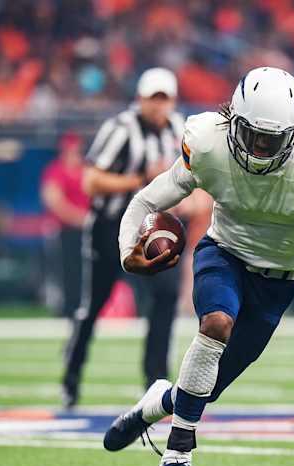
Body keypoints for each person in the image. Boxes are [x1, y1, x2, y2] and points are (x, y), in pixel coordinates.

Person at [105, 67, 294, 466]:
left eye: (274, 139)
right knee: (215, 323)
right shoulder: (209, 143)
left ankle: (157, 403)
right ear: (233, 120)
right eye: (253, 135)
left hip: (277, 282)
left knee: (202, 391)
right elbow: (147, 200)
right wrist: (127, 254)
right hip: (223, 253)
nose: (262, 148)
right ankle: (177, 456)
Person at [61, 68, 185, 408]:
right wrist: (140, 182)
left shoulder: (179, 130)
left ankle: (155, 383)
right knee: (93, 306)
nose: (159, 106)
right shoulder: (120, 129)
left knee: (166, 298)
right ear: (140, 99)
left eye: (165, 98)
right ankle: (70, 380)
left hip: (156, 229)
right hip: (111, 227)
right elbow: (91, 181)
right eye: (153, 98)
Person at [41, 132, 90, 317]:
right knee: (66, 269)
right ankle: (67, 307)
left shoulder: (86, 169)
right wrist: (80, 218)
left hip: (85, 229)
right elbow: (54, 201)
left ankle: (82, 305)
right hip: (65, 229)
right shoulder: (56, 170)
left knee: (85, 270)